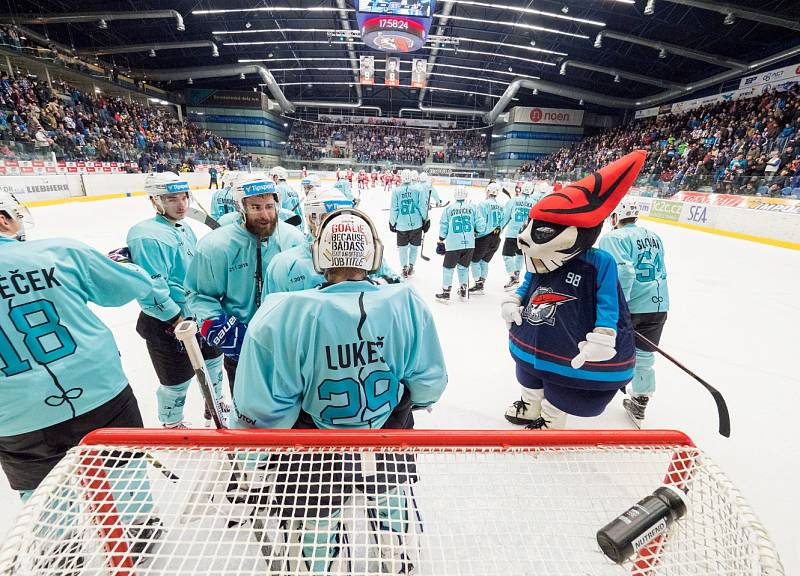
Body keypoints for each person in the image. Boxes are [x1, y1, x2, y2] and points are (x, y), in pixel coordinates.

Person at [232, 208, 447, 573]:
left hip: (313, 449)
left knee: (316, 519)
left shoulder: (283, 313)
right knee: (392, 499)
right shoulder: (406, 303)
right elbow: (428, 386)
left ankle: (322, 566)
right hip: (388, 434)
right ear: (373, 256)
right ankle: (398, 557)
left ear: (319, 257)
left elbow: (262, 411)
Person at [0, 191, 166, 543]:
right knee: (123, 466)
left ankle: (62, 554)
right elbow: (128, 287)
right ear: (3, 219)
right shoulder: (57, 252)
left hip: (13, 415)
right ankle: (140, 535)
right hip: (98, 390)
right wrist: (127, 264)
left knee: (43, 493)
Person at [501, 152, 644, 429]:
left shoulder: (599, 262)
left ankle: (551, 420)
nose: (525, 238)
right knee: (528, 373)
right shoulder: (540, 259)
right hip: (534, 332)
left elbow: (608, 304)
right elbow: (528, 283)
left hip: (571, 341)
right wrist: (514, 300)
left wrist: (603, 334)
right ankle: (530, 405)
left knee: (563, 386)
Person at [185, 172, 305, 392]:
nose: (265, 215)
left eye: (269, 206)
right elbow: (199, 295)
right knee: (248, 415)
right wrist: (219, 327)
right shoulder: (216, 246)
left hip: (289, 346)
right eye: (256, 207)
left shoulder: (294, 240)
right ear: (241, 207)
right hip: (241, 346)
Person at [126, 172, 226, 429]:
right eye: (172, 199)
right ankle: (172, 423)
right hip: (168, 323)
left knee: (214, 364)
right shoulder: (146, 235)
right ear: (154, 201)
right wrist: (176, 319)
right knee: (176, 381)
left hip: (198, 313)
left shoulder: (185, 227)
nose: (182, 205)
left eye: (184, 198)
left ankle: (214, 405)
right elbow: (151, 288)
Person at [598, 200, 669, 427]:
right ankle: (640, 399)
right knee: (645, 355)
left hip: (632, 306)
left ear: (616, 217)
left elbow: (624, 271)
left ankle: (594, 390)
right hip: (658, 304)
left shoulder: (612, 238)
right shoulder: (655, 236)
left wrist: (620, 304)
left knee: (606, 347)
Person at [268, 188, 400, 293]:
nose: (338, 224)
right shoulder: (286, 265)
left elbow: (396, 286)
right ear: (310, 218)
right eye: (330, 218)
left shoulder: (367, 254)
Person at [435, 186, 485, 303]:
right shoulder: (473, 207)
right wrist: (476, 232)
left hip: (453, 244)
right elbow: (481, 225)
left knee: (448, 268)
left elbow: (444, 226)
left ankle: (446, 293)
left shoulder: (449, 209)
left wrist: (441, 239)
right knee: (463, 268)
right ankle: (463, 289)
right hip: (469, 244)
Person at [389, 169, 428, 278]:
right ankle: (411, 266)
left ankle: (404, 267)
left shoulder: (396, 191)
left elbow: (394, 209)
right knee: (414, 247)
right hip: (417, 224)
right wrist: (426, 219)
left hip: (401, 225)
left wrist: (392, 222)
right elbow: (422, 206)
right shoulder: (418, 189)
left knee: (402, 248)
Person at [469, 182, 504, 295]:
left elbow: (480, 222)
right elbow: (502, 222)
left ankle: (478, 284)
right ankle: (482, 283)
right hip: (496, 238)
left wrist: (475, 232)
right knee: (484, 261)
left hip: (484, 238)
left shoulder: (482, 204)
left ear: (488, 191)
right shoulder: (500, 206)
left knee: (474, 261)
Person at [500, 181, 536, 290]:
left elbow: (506, 217)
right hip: (526, 235)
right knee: (520, 254)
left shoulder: (513, 200)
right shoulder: (535, 203)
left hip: (512, 233)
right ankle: (517, 275)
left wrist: (499, 229)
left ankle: (513, 277)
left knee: (507, 255)